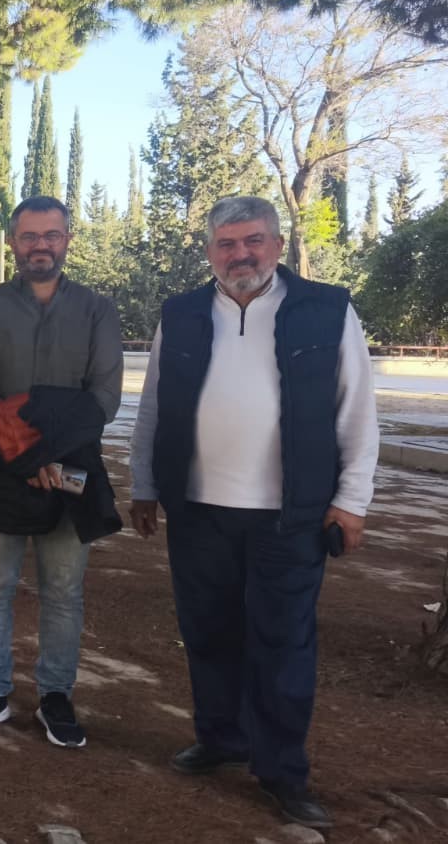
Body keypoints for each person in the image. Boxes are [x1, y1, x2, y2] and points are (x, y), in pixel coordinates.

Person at [128, 196, 378, 830]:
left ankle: (283, 771)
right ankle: (220, 739)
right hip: (199, 510)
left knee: (282, 642)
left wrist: (351, 500)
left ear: (277, 243)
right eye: (227, 244)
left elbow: (355, 410)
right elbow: (154, 408)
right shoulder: (181, 313)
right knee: (208, 631)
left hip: (289, 517)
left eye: (253, 241)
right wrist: (145, 486)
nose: (241, 254)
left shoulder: (326, 309)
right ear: (210, 251)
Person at [0, 196, 123, 748]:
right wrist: (28, 456)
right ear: (13, 242)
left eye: (51, 235)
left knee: (63, 591)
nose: (40, 245)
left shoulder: (97, 310)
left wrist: (52, 456)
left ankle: (55, 696)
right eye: (29, 236)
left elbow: (103, 397)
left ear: (67, 239)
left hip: (71, 471)